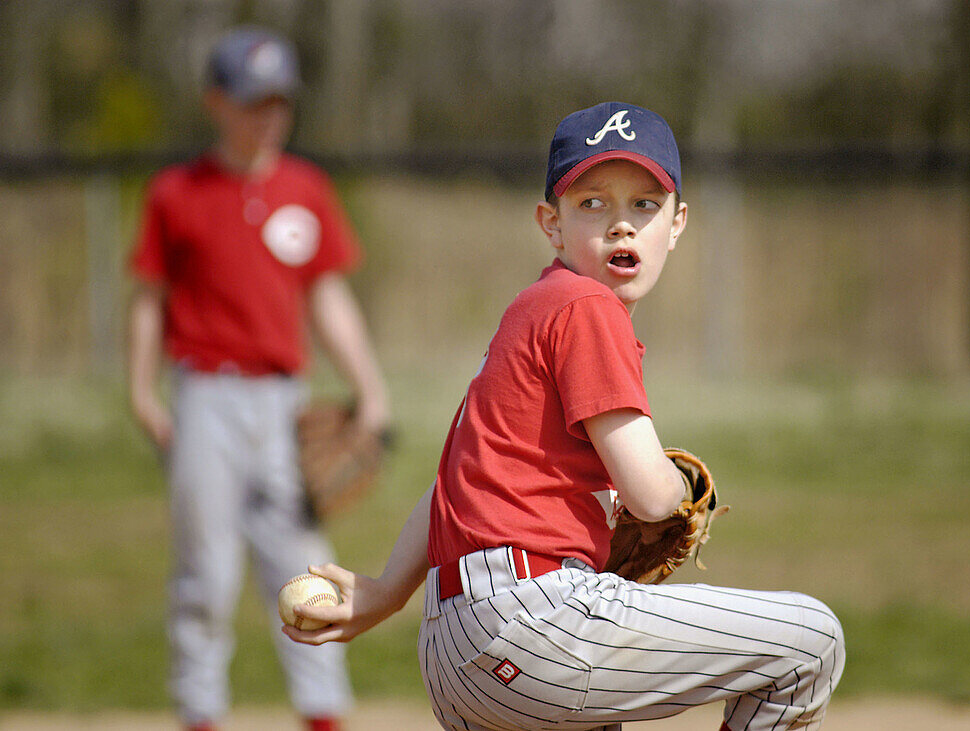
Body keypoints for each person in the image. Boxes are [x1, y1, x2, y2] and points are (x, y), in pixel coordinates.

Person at [284, 102, 844, 731]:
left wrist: (389, 591)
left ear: (677, 222)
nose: (621, 227)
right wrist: (677, 486)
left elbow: (451, 485)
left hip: (456, 647)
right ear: (551, 223)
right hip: (536, 623)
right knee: (810, 642)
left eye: (644, 205)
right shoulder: (585, 306)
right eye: (592, 204)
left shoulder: (530, 312)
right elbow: (651, 496)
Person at [126, 26, 390, 731]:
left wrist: (370, 385)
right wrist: (142, 390)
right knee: (205, 575)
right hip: (205, 396)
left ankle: (323, 713)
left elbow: (327, 297)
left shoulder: (304, 187)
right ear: (216, 102)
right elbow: (149, 298)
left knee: (304, 570)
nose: (268, 116)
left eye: (279, 102)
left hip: (283, 403)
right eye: (252, 101)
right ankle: (201, 712)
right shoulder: (177, 192)